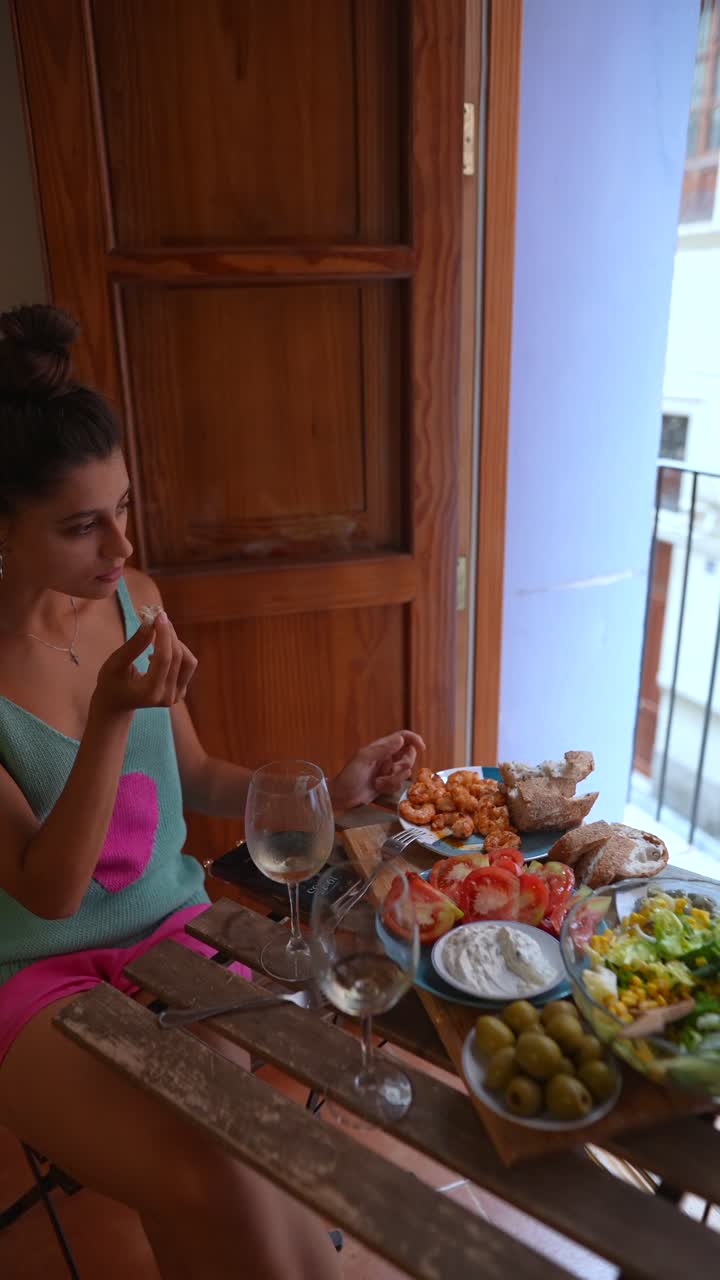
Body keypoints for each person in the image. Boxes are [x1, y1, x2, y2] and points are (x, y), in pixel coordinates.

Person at [0, 304, 424, 1279]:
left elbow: (191, 774)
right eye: (80, 524)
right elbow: (48, 889)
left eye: (125, 508)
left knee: (233, 1147)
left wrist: (330, 787)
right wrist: (107, 714)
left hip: (178, 932)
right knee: (207, 1157)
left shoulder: (133, 601)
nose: (118, 547)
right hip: (32, 975)